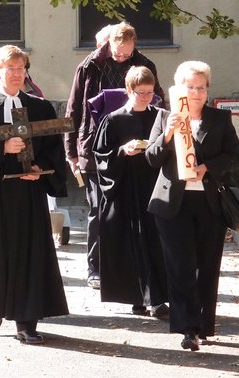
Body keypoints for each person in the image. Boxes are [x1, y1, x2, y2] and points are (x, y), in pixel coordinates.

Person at [0, 45, 69, 344]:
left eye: (21, 69)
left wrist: (40, 168)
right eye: (11, 69)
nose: (17, 74)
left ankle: (27, 321)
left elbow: (52, 150)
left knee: (30, 255)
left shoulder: (40, 107)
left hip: (29, 193)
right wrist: (1, 148)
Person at [145, 61, 239, 351]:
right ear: (179, 89)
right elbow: (151, 157)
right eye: (190, 86)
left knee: (206, 267)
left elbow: (235, 159)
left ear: (207, 90)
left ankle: (203, 324)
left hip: (209, 203)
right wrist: (168, 134)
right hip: (173, 204)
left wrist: (208, 167)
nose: (195, 92)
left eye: (200, 87)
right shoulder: (165, 116)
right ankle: (187, 328)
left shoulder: (219, 120)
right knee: (180, 266)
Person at [65, 21, 165, 289]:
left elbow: (159, 100)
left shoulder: (144, 63)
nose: (122, 58)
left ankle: (134, 269)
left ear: (134, 46)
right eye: (118, 53)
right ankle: (95, 268)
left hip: (139, 145)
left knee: (137, 209)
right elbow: (74, 108)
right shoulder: (90, 65)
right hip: (95, 147)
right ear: (109, 44)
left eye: (126, 54)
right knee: (99, 210)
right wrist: (71, 150)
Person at [92, 66, 169, 318]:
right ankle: (138, 297)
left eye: (150, 93)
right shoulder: (113, 120)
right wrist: (122, 151)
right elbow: (101, 156)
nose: (146, 97)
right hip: (125, 188)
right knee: (132, 242)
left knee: (155, 242)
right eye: (140, 93)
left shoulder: (160, 116)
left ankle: (156, 298)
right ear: (128, 90)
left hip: (153, 186)